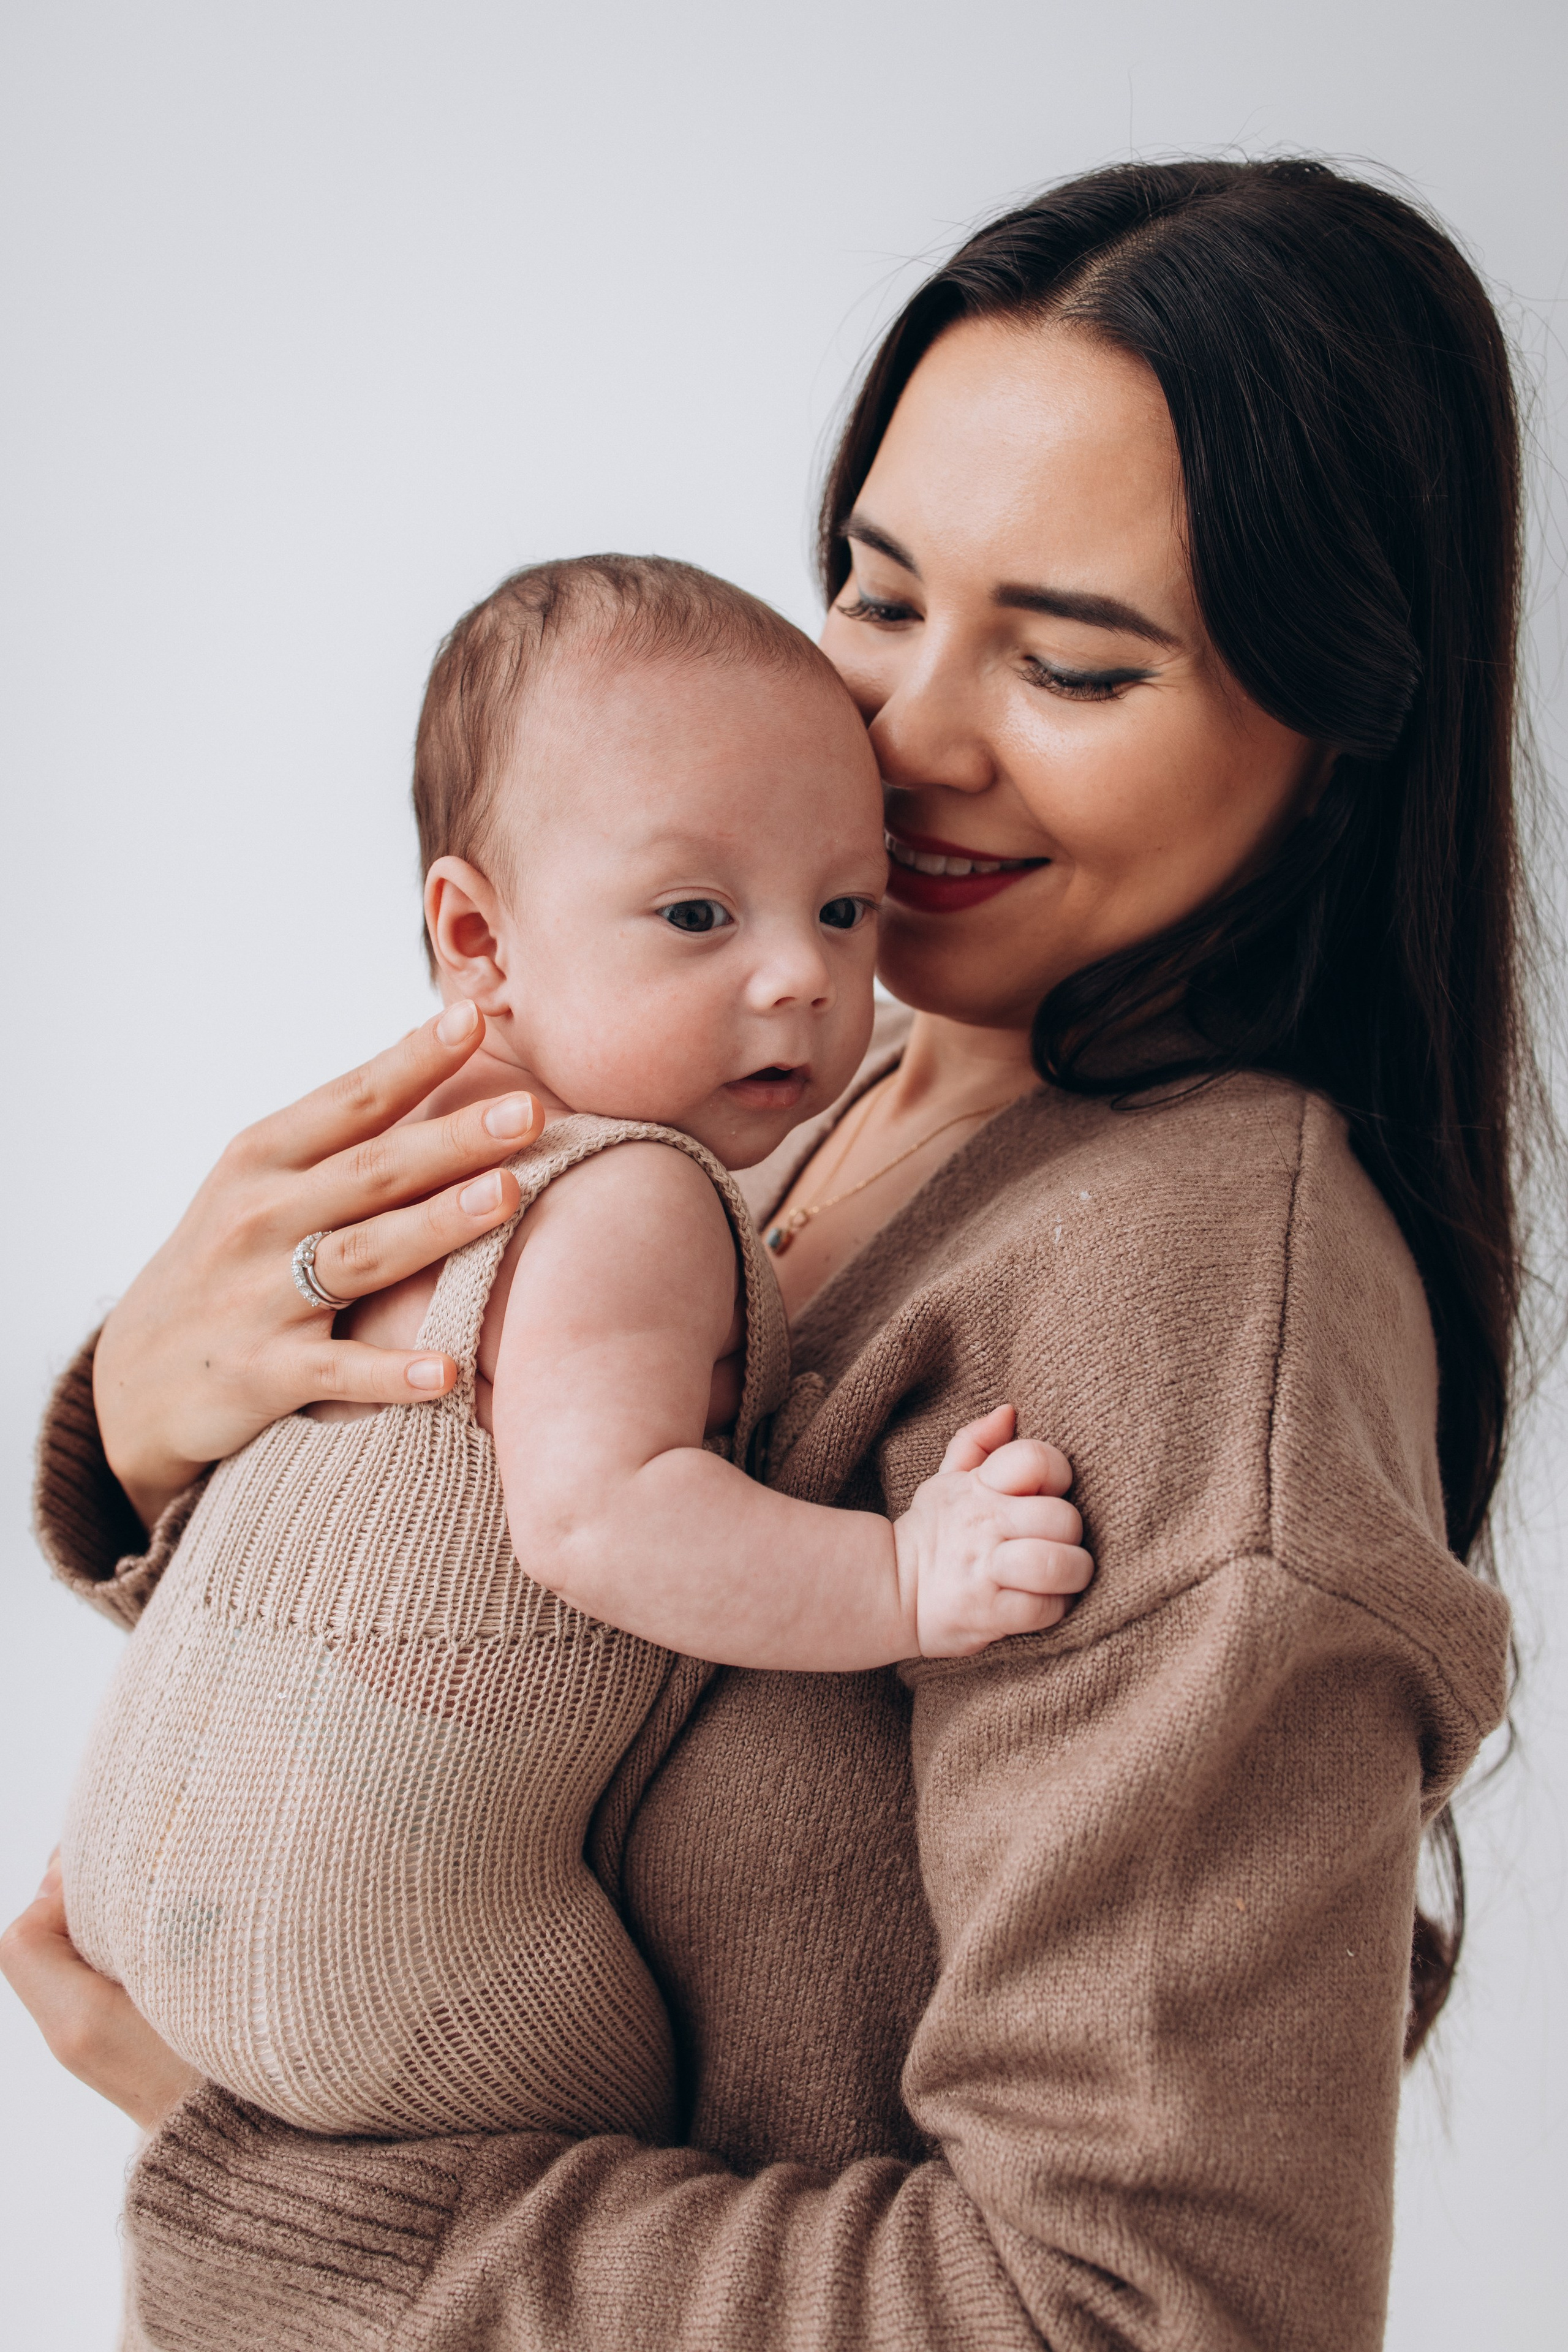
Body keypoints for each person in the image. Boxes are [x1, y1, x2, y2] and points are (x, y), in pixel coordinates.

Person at [4, 157, 1534, 2351]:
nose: (904, 742)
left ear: (1339, 729)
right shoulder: (816, 1075)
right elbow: (550, 1657)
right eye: (878, 593)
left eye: (1075, 665)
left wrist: (270, 2193)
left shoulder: (1195, 1298)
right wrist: (158, 1436)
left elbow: (1141, 2317)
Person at [58, 552, 1088, 2145]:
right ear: (478, 937)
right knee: (654, 2175)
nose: (800, 976)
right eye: (698, 913)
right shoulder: (637, 1192)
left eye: (843, 906)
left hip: (131, 1867)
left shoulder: (405, 1163)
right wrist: (905, 1583)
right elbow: (600, 1520)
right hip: (407, 1954)